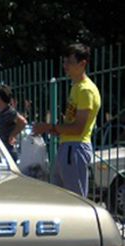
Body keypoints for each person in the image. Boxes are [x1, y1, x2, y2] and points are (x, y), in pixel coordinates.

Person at [33, 43, 101, 197]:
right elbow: (71, 124)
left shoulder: (86, 90)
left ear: (82, 64)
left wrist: (49, 127)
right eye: (64, 61)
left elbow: (78, 128)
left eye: (70, 62)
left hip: (75, 148)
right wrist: (55, 129)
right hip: (68, 147)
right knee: (60, 199)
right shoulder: (76, 87)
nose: (65, 65)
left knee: (75, 200)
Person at [0, 84, 27, 161]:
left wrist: (13, 135)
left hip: (8, 152)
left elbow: (23, 122)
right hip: (0, 150)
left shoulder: (10, 112)